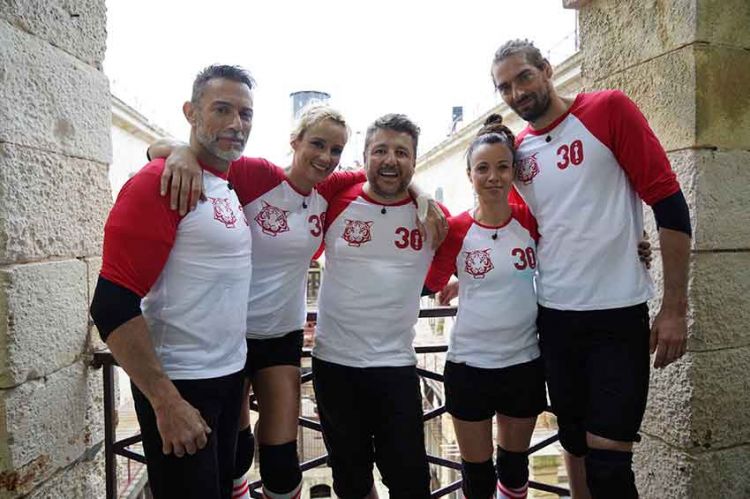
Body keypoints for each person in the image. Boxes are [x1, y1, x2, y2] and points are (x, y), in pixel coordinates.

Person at [150, 105, 447, 499]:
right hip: (226, 333)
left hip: (282, 335)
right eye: (317, 144)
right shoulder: (258, 174)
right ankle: (237, 487)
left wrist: (421, 192)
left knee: (281, 458)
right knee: (233, 453)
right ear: (295, 141)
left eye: (335, 150)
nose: (325, 157)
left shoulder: (326, 191)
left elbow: (381, 172)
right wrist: (182, 152)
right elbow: (169, 149)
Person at [490, 39, 691, 499]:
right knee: (574, 445)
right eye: (505, 87)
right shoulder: (518, 156)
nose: (518, 93)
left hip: (617, 317)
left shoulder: (608, 109)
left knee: (610, 466)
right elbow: (523, 231)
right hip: (555, 319)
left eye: (524, 76)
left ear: (546, 68)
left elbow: (669, 203)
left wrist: (674, 307)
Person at [89, 64, 255, 499]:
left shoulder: (225, 181)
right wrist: (167, 402)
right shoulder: (157, 184)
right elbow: (110, 305)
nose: (236, 125)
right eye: (222, 109)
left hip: (227, 378)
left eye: (245, 114)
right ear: (191, 113)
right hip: (181, 384)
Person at [312, 114, 448, 499]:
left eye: (402, 152)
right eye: (381, 151)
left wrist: (423, 197)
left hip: (395, 367)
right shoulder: (334, 201)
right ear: (364, 156)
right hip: (334, 365)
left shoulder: (433, 220)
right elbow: (288, 183)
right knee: (350, 480)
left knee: (410, 481)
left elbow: (438, 278)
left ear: (415, 160)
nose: (390, 160)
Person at [424, 115, 545, 499]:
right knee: (476, 475)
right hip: (469, 366)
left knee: (513, 468)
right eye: (483, 169)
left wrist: (636, 247)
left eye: (502, 167)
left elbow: (573, 251)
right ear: (470, 175)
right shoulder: (456, 229)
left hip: (523, 363)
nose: (493, 177)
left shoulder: (532, 220)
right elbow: (426, 283)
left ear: (514, 172)